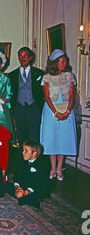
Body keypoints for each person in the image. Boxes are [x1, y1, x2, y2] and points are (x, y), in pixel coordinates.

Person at [40, 49, 77, 181]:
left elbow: (72, 95)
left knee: (63, 139)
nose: (63, 63)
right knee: (51, 139)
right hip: (51, 111)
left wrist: (67, 111)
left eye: (65, 61)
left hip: (66, 110)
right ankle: (52, 168)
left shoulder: (69, 75)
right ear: (55, 63)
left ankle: (60, 169)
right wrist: (55, 112)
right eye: (61, 61)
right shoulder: (47, 77)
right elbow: (47, 97)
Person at [8, 47, 44, 147]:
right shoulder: (12, 75)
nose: (22, 58)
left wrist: (39, 106)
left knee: (34, 135)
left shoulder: (39, 73)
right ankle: (23, 158)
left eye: (25, 56)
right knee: (21, 134)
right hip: (19, 107)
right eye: (20, 56)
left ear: (30, 58)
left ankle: (34, 160)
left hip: (34, 107)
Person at [6, 139, 51, 209]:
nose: (23, 152)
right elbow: (17, 174)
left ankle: (28, 199)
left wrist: (26, 192)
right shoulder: (23, 159)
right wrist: (17, 187)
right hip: (25, 184)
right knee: (6, 186)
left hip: (36, 186)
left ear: (34, 153)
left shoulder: (43, 164)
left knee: (38, 193)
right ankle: (23, 197)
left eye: (26, 151)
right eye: (23, 150)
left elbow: (38, 182)